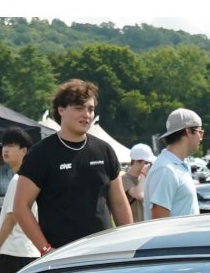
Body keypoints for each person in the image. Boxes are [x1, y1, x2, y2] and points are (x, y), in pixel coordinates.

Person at [13, 79, 132, 255]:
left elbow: (119, 204)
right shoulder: (41, 154)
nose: (87, 114)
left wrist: (130, 243)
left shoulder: (104, 150)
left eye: (90, 109)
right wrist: (45, 249)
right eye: (79, 108)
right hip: (62, 256)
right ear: (61, 110)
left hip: (103, 253)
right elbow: (20, 207)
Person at [0, 127, 40, 273]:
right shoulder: (28, 178)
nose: (5, 149)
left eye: (12, 145)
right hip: (26, 250)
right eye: (4, 145)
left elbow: (11, 218)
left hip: (16, 251)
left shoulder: (19, 180)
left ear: (24, 151)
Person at [145, 109, 206, 219]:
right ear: (187, 131)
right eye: (200, 132)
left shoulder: (175, 165)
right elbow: (159, 224)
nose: (201, 138)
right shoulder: (166, 169)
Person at [121, 143, 154, 223]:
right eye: (148, 163)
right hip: (134, 227)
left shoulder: (144, 179)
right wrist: (143, 174)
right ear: (138, 161)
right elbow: (139, 195)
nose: (150, 166)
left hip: (147, 225)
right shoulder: (124, 179)